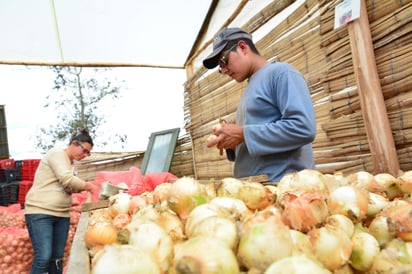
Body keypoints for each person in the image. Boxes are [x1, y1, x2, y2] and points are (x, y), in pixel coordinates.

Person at [203, 27, 316, 183]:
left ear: (242, 47)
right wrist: (231, 142)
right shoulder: (250, 88)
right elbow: (254, 140)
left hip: (284, 190)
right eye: (220, 68)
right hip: (255, 193)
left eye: (223, 61)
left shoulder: (281, 73)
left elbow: (303, 127)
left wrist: (243, 133)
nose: (224, 70)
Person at [24, 129, 98, 274]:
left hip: (62, 215)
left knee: (57, 258)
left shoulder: (72, 165)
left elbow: (69, 186)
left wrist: (81, 188)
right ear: (74, 143)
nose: (85, 155)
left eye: (88, 153)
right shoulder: (57, 154)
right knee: (43, 257)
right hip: (41, 212)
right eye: (84, 151)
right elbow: (66, 179)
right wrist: (88, 186)